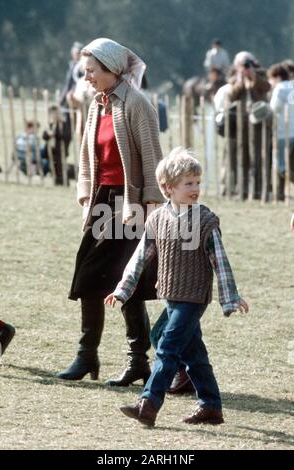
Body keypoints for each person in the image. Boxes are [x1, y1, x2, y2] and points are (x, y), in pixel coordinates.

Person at [105, 147, 249, 427]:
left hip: (193, 298)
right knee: (184, 347)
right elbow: (140, 258)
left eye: (198, 182)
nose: (195, 188)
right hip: (171, 295)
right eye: (188, 183)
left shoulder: (205, 221)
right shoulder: (157, 219)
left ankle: (148, 404)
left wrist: (230, 298)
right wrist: (123, 289)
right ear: (168, 188)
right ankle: (211, 406)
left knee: (168, 346)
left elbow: (221, 261)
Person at [56, 38, 165, 385]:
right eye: (84, 70)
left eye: (91, 71)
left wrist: (149, 207)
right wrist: (86, 197)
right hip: (102, 201)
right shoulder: (95, 105)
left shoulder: (137, 104)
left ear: (112, 69)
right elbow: (89, 157)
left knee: (126, 281)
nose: (86, 77)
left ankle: (136, 362)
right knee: (90, 277)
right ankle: (88, 357)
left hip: (129, 204)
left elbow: (152, 159)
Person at [228, 51, 271, 198]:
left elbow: (266, 88)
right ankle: (243, 190)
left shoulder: (261, 74)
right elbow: (231, 95)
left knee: (259, 156)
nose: (245, 67)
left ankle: (259, 190)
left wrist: (254, 78)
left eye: (248, 63)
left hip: (259, 123)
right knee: (242, 156)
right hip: (242, 124)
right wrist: (240, 81)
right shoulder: (235, 77)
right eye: (242, 64)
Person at [268, 63, 294, 200]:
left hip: (283, 133)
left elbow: (274, 108)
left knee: (281, 165)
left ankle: (280, 194)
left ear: (277, 77)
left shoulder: (279, 89)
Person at [42, 105, 72, 185]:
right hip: (51, 150)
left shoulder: (64, 124)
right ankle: (56, 181)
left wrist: (55, 134)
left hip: (60, 150)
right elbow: (44, 136)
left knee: (61, 168)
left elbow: (67, 136)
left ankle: (64, 182)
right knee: (53, 168)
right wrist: (48, 134)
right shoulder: (50, 125)